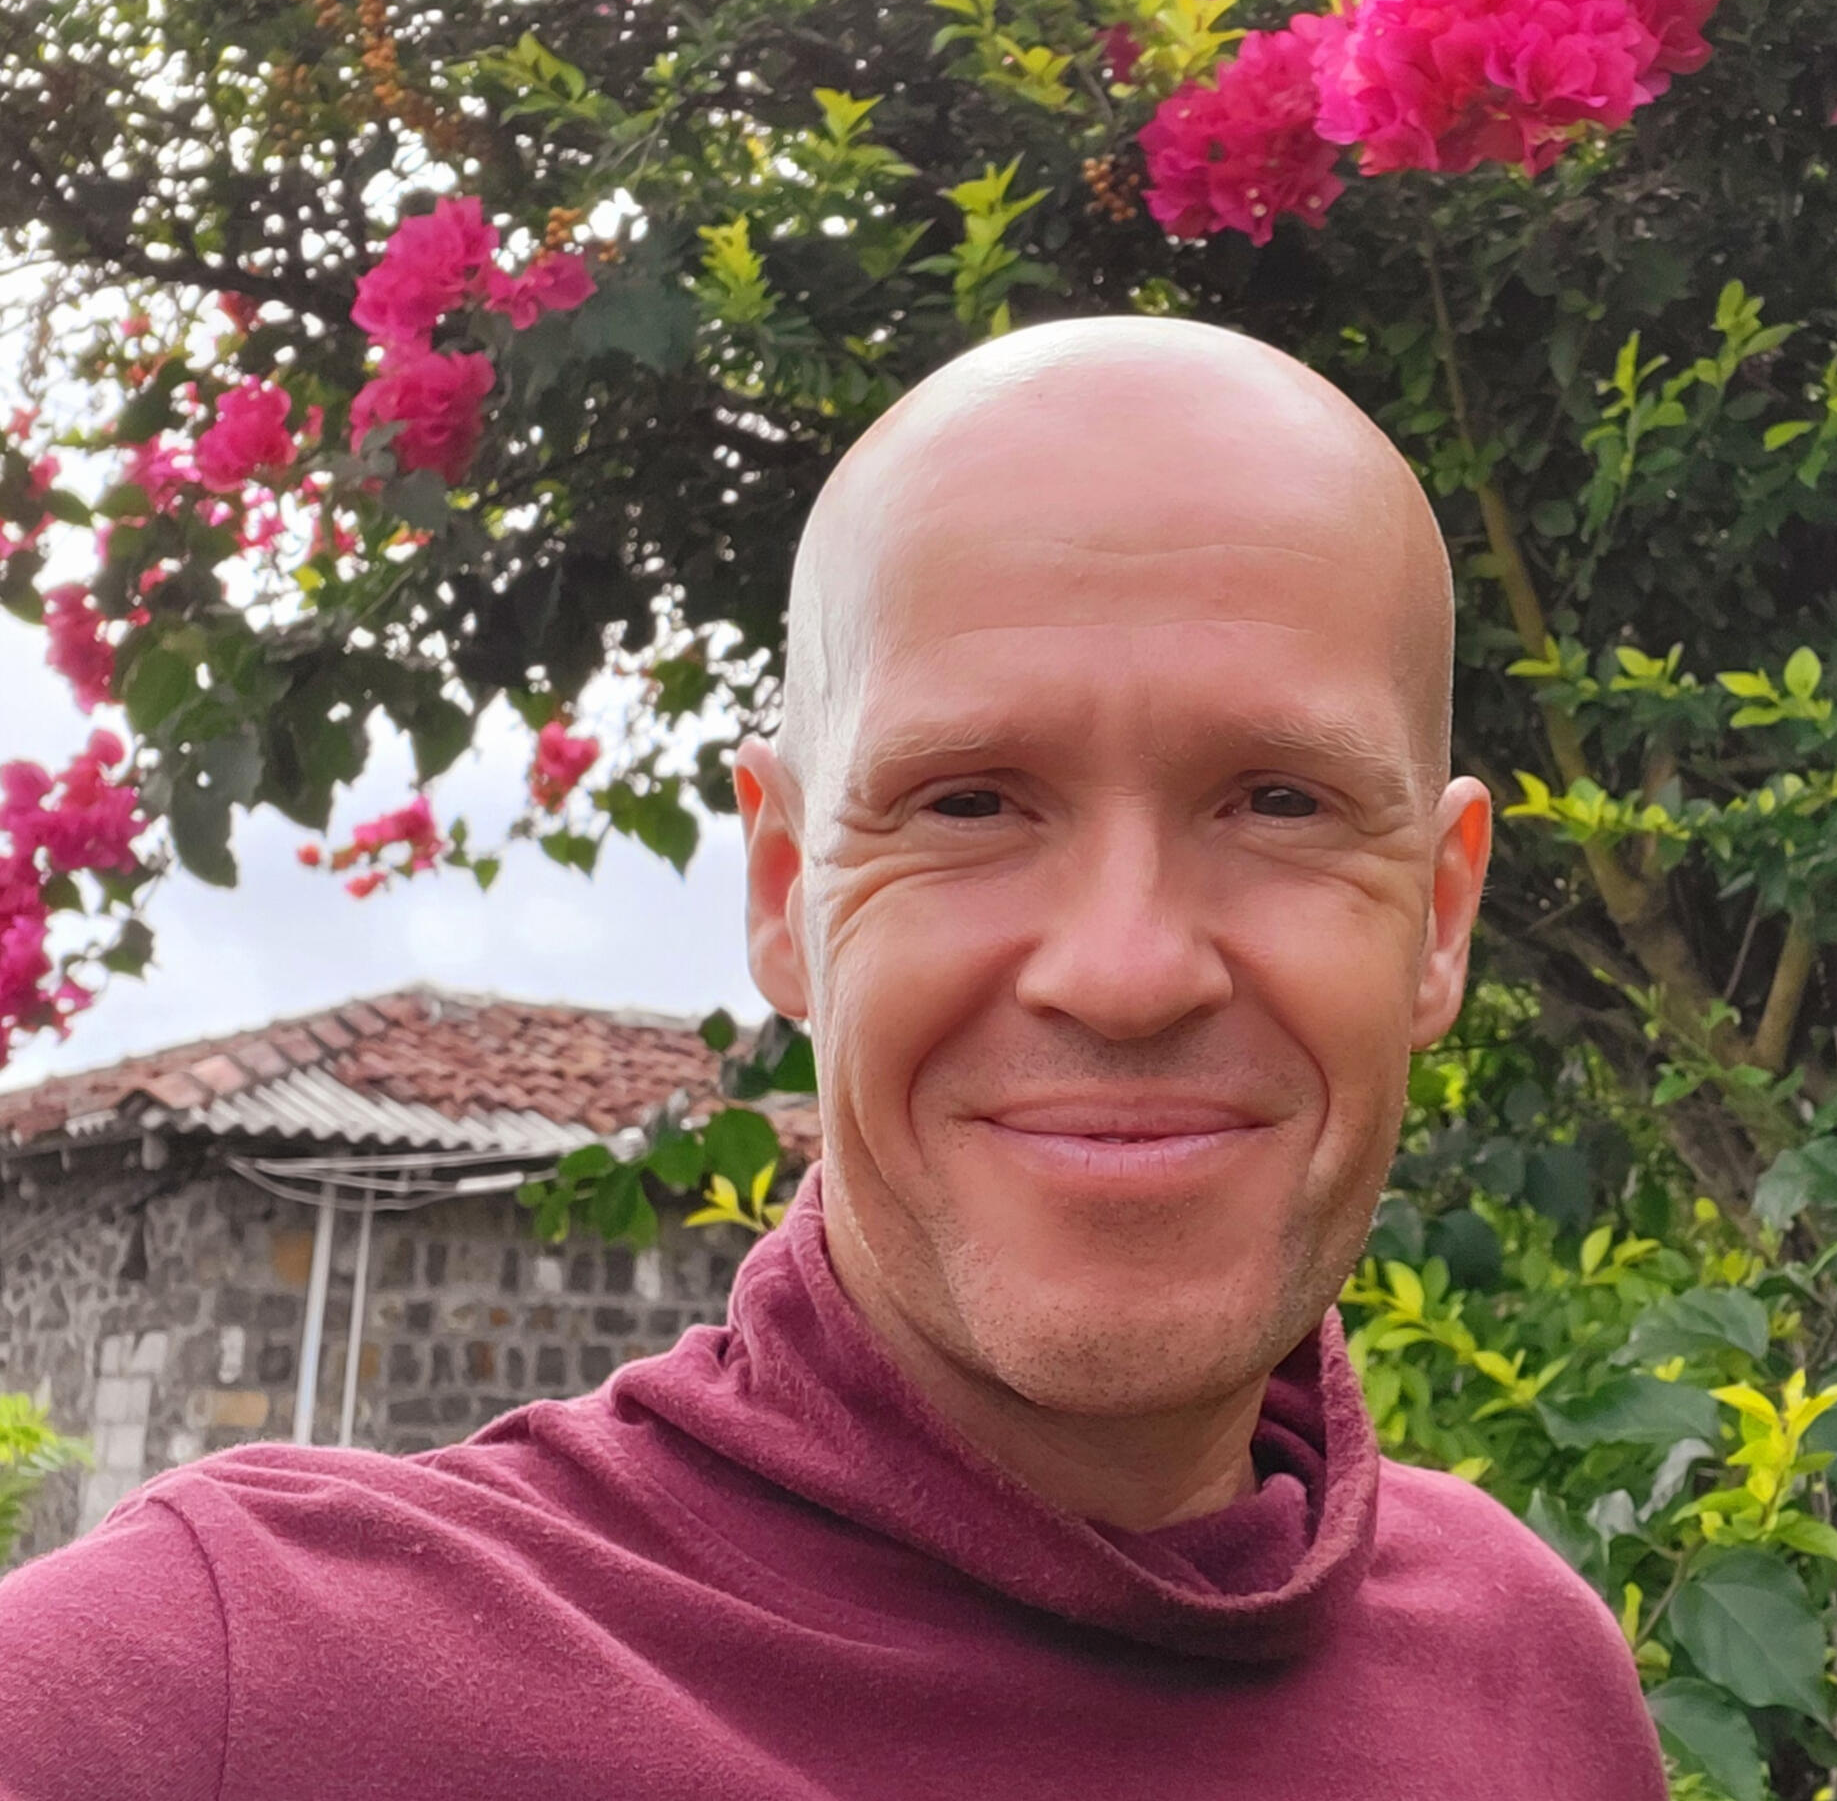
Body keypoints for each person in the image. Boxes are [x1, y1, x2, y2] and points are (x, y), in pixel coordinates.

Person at [0, 317, 1667, 1799]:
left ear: (1439, 919)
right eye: (969, 804)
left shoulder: (1530, 1683)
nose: (1127, 968)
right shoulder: (224, 1694)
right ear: (789, 892)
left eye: (1280, 801)